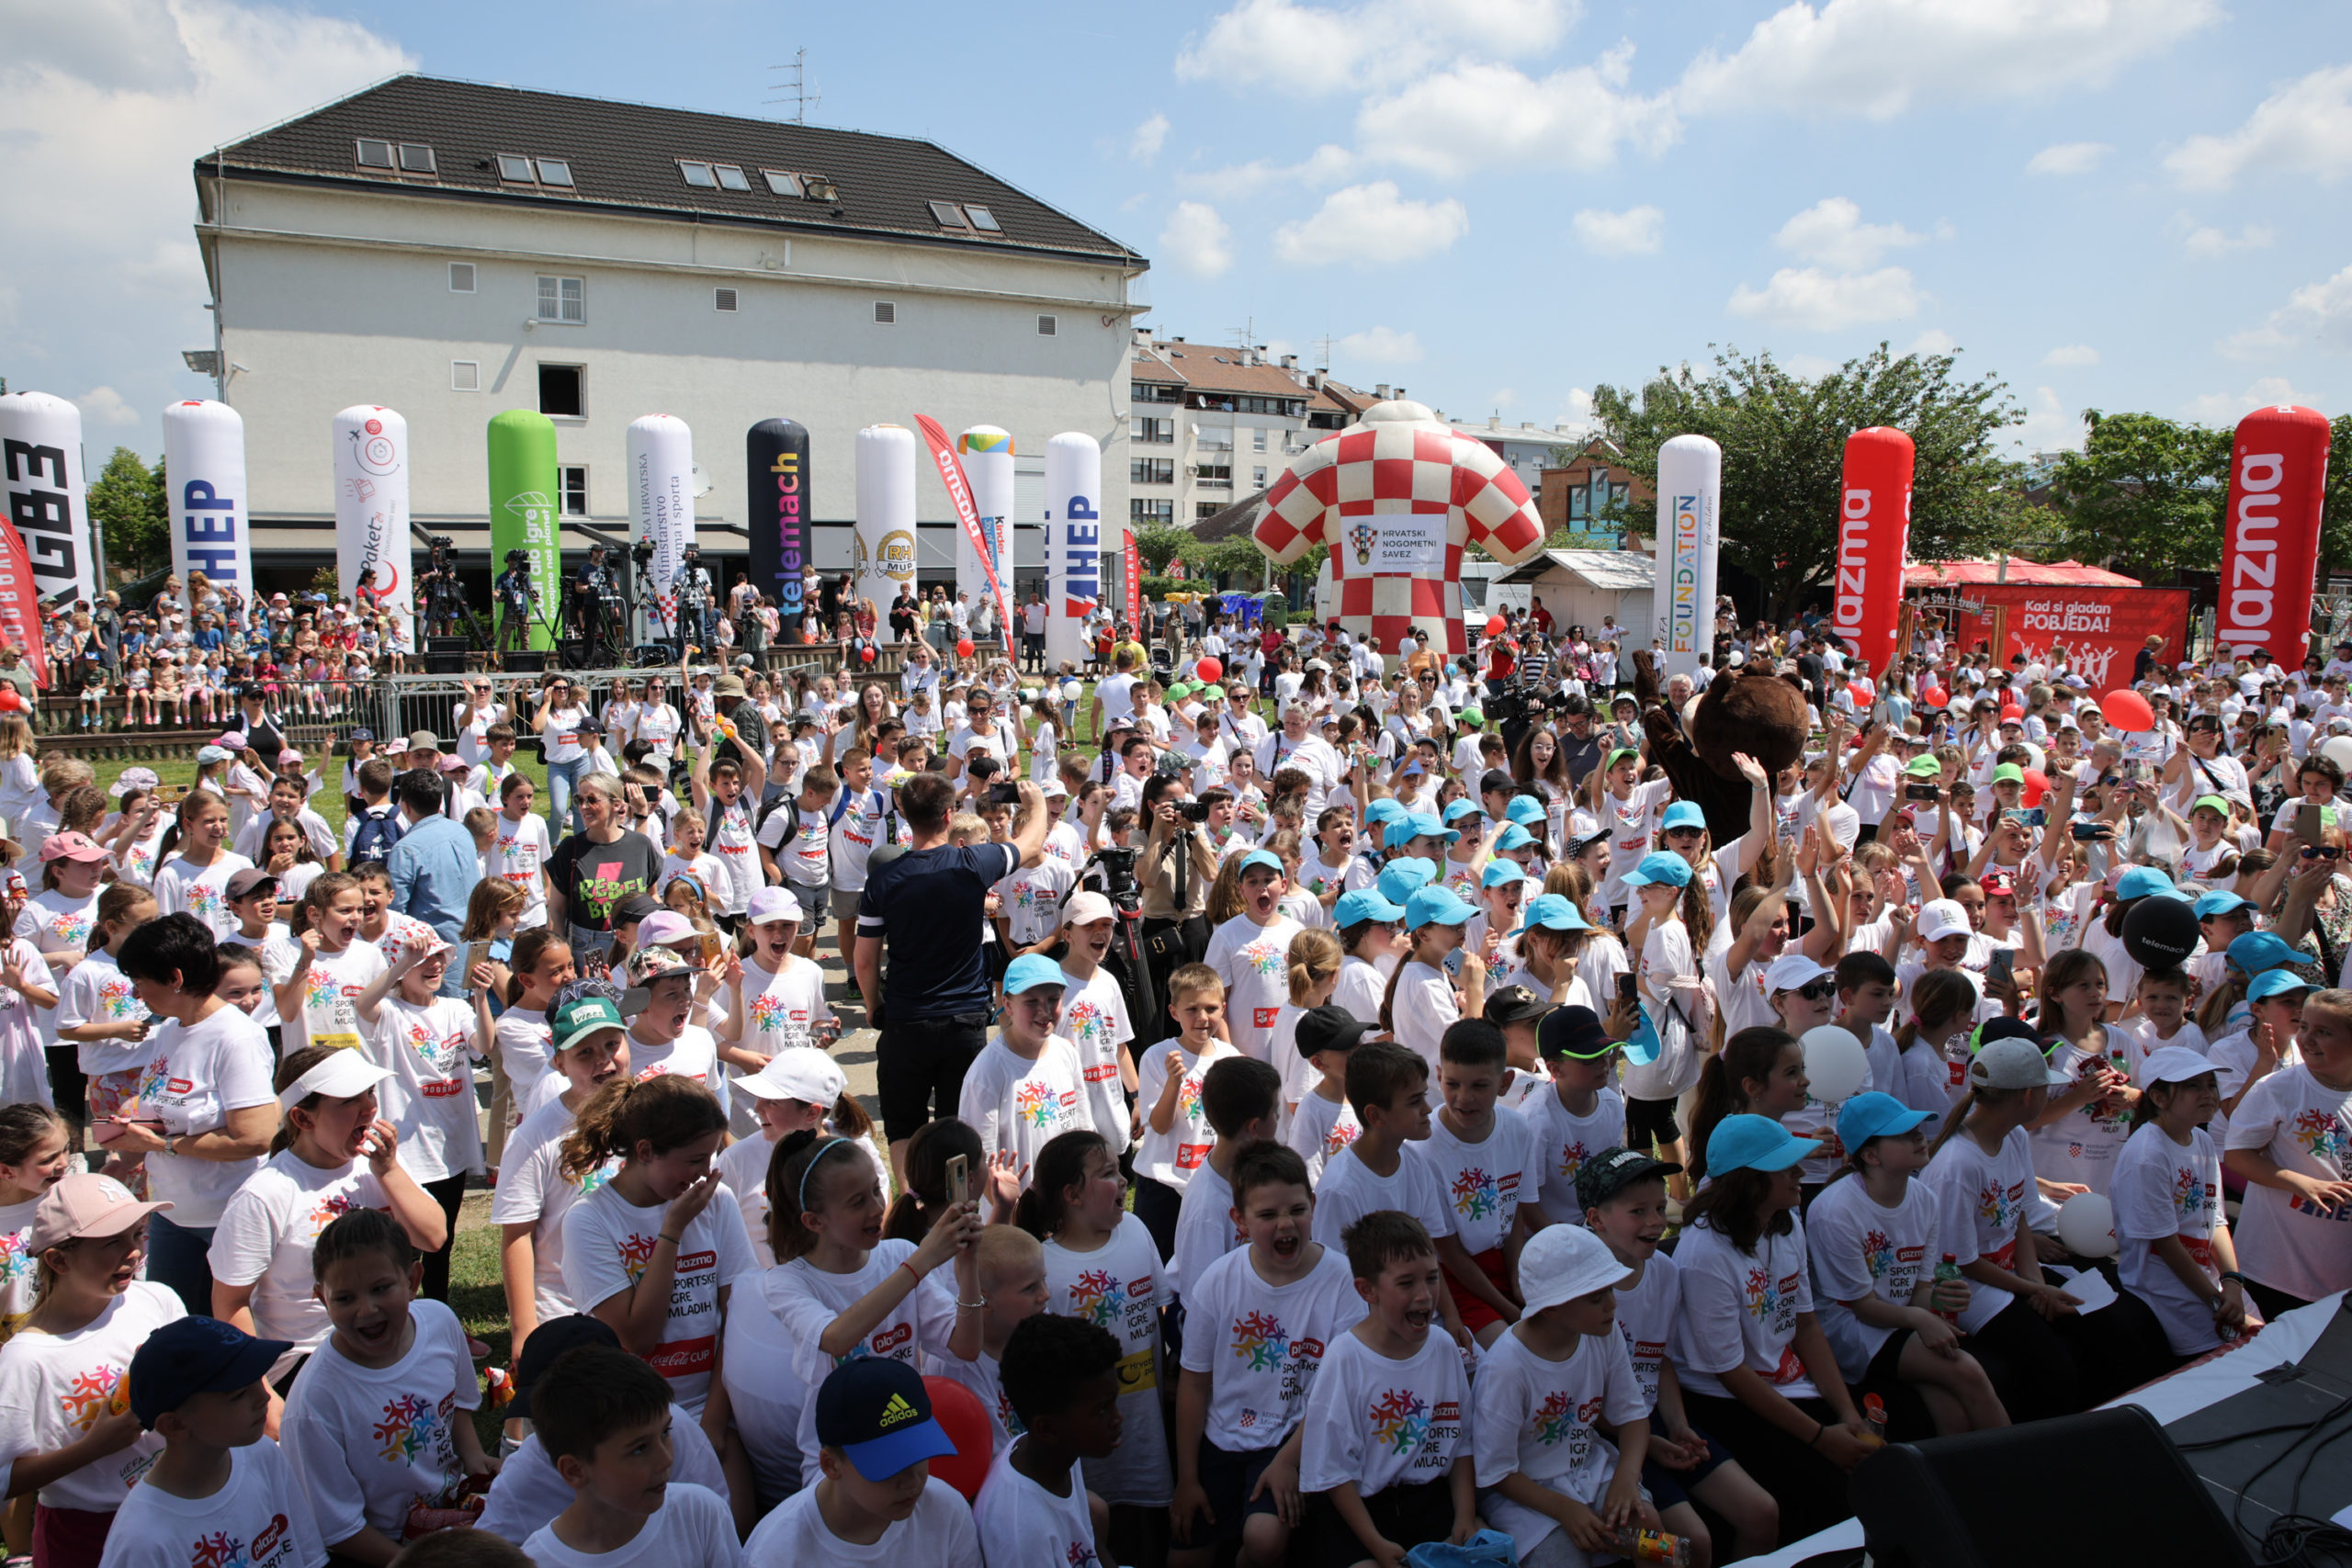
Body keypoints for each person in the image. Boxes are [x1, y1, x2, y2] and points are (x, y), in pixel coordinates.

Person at [1672, 1115, 1872, 1547]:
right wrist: (1822, 1438)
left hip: (1785, 1384)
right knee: (1832, 1497)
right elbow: (1731, 1373)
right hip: (1722, 1399)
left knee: (1876, 1469)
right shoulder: (1705, 1252)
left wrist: (1847, 1413)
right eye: (1786, 1166)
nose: (1801, 1173)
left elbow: (1806, 1323)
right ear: (1750, 1181)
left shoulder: (1785, 1223)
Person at [208, 1046, 448, 1384]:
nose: (369, 1107)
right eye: (349, 1099)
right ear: (303, 1118)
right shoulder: (265, 1195)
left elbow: (433, 1237)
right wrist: (260, 1392)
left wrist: (390, 1171)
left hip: (385, 1338)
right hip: (306, 1361)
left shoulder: (377, 1164)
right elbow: (230, 1303)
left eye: (369, 1092)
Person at [855, 773, 1048, 1177]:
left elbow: (865, 961)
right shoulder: (974, 863)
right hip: (964, 1018)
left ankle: (912, 1206)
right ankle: (955, 1205)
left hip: (906, 1017)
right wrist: (1036, 804)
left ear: (906, 814)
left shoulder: (883, 879)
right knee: (958, 1125)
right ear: (949, 815)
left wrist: (875, 1005)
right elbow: (1031, 843)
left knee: (904, 1128)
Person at [277, 1210, 492, 1566]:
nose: (366, 1309)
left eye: (381, 1288)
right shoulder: (315, 1403)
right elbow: (338, 1528)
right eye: (345, 1298)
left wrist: (474, 1459)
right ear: (321, 1297)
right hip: (380, 1550)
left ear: (412, 1279)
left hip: (451, 1512)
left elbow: (455, 1407)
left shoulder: (439, 1323)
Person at [0, 1172, 182, 1568]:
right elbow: (5, 1477)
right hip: (84, 1535)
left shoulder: (157, 1300)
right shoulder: (25, 1358)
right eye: (112, 1241)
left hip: (175, 1507)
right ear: (58, 1259)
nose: (133, 1252)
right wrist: (93, 1448)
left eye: (137, 1234)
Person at [100, 915, 274, 1315]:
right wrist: (125, 1143)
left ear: (174, 978)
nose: (136, 992)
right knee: (173, 1328)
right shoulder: (170, 1030)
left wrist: (163, 1145)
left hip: (226, 1218)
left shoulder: (237, 1038)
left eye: (141, 981)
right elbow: (163, 1110)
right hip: (171, 1215)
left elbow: (254, 1138)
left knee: (224, 1338)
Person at [1473, 1223, 1657, 1568]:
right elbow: (1496, 1473)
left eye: (1610, 1291)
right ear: (1552, 1307)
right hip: (1527, 1497)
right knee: (1562, 1560)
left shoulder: (1603, 1333)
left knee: (1654, 1540)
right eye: (1596, 1297)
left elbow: (1633, 1418)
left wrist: (1626, 1479)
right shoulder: (1506, 1367)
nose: (1612, 1305)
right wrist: (1565, 1510)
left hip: (1591, 1470)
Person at [1298, 1212, 1476, 1568]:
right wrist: (1376, 1544)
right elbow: (1333, 1473)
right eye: (1406, 1283)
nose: (1425, 1296)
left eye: (1431, 1278)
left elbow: (1462, 1444)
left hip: (1429, 1501)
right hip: (1363, 1513)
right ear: (1367, 1290)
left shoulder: (1443, 1348)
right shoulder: (1345, 1358)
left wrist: (1465, 1518)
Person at [1020, 1131, 1171, 1547]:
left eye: (1119, 1169)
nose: (1123, 1179)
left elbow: (1158, 1312)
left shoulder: (1137, 1230)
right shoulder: (1046, 1265)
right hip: (1088, 1456)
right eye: (1107, 1173)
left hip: (1148, 1435)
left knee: (1150, 1537)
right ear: (1072, 1194)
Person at [473, 1314, 730, 1548]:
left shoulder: (675, 1429)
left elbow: (718, 1523)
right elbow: (485, 1552)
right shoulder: (526, 1471)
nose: (664, 1458)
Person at [96, 1316, 326, 1568]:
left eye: (258, 1381)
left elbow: (309, 1557)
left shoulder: (262, 1452)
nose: (263, 1398)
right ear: (175, 1425)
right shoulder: (143, 1541)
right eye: (239, 1394)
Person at [517, 1343, 741, 1568]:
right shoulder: (538, 1561)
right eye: (639, 1449)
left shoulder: (699, 1514)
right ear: (575, 1470)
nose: (666, 1460)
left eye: (665, 1433)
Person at [741, 1358, 979, 1568]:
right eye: (890, 1466)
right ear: (831, 1465)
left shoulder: (947, 1512)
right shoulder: (776, 1553)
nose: (912, 1481)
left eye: (918, 1455)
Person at [970, 1313, 1124, 1568]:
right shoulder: (1023, 1532)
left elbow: (1089, 1547)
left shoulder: (1056, 1454)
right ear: (1047, 1428)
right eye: (1102, 1409)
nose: (1117, 1418)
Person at [545, 776, 662, 967]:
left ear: (616, 804)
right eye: (579, 800)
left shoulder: (641, 844)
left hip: (636, 944)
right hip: (587, 949)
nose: (583, 806)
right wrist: (562, 960)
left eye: (591, 800)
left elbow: (652, 895)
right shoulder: (570, 848)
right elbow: (557, 910)